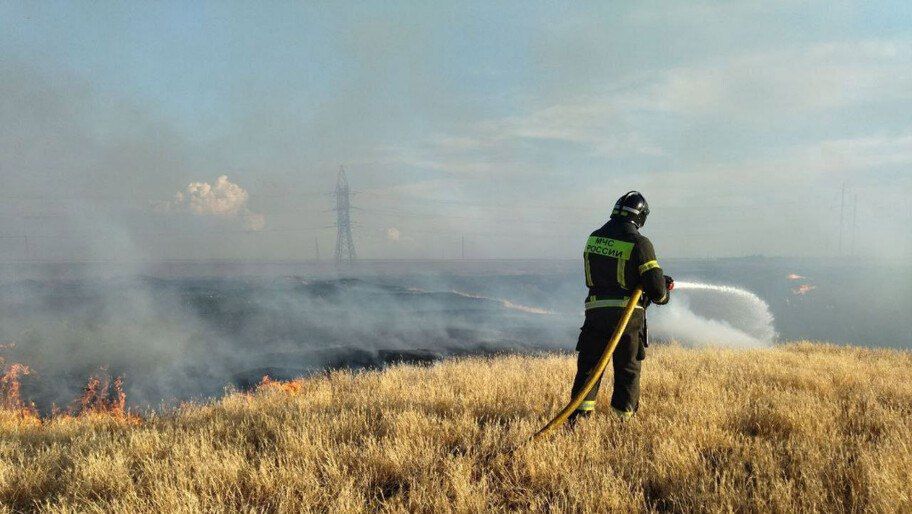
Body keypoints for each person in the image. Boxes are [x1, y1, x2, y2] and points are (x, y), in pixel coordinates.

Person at [567, 191, 674, 424]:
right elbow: (656, 290)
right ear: (641, 216)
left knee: (589, 368)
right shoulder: (640, 243)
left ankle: (578, 419)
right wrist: (663, 294)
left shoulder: (594, 238)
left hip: (595, 314)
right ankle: (622, 422)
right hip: (627, 318)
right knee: (627, 370)